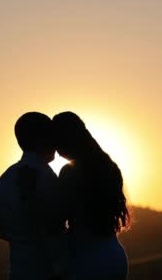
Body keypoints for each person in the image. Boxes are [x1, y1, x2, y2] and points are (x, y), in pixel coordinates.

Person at [53, 111, 130, 279]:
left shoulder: (69, 172)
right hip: (115, 256)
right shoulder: (109, 166)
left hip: (88, 261)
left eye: (57, 142)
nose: (56, 151)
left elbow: (57, 217)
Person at [0, 112, 67, 279]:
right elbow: (53, 226)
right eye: (51, 136)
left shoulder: (4, 179)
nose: (55, 143)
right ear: (41, 138)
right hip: (47, 271)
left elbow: (1, 232)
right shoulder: (47, 177)